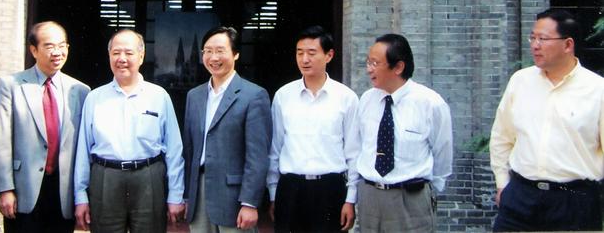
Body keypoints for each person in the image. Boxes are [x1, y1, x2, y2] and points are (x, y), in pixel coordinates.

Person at [490, 8, 604, 232]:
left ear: (568, 44)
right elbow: (502, 137)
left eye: (543, 39)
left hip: (574, 200)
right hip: (520, 196)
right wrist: (502, 182)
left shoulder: (597, 89)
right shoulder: (520, 81)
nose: (534, 45)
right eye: (533, 37)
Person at [74, 29, 185, 233]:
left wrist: (176, 195)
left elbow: (174, 150)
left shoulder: (158, 96)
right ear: (109, 56)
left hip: (148, 178)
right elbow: (83, 150)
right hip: (105, 179)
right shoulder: (95, 98)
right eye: (116, 53)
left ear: (141, 56)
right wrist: (80, 195)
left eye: (128, 53)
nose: (122, 59)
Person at [0, 21, 90, 233]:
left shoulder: (80, 91)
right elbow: (2, 141)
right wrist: (6, 189)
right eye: (49, 46)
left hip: (63, 191)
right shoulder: (11, 85)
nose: (57, 52)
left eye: (62, 45)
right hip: (23, 188)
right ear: (34, 50)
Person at [355, 33, 452, 233]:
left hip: (410, 200)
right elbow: (360, 146)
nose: (369, 69)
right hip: (370, 198)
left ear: (398, 67)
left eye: (375, 63)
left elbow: (443, 153)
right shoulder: (366, 100)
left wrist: (428, 192)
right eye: (368, 62)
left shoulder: (430, 103)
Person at [267, 25, 359, 233]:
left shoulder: (346, 98)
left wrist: (351, 199)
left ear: (329, 55)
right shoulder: (283, 96)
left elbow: (354, 152)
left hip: (330, 189)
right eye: (300, 53)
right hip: (290, 189)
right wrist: (273, 192)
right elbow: (275, 148)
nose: (304, 59)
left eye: (311, 53)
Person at [183, 26, 271, 233]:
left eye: (221, 50)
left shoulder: (254, 95)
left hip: (234, 196)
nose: (214, 57)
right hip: (199, 193)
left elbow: (257, 156)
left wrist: (250, 203)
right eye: (208, 51)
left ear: (236, 53)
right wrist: (188, 194)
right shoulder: (194, 96)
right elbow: (189, 150)